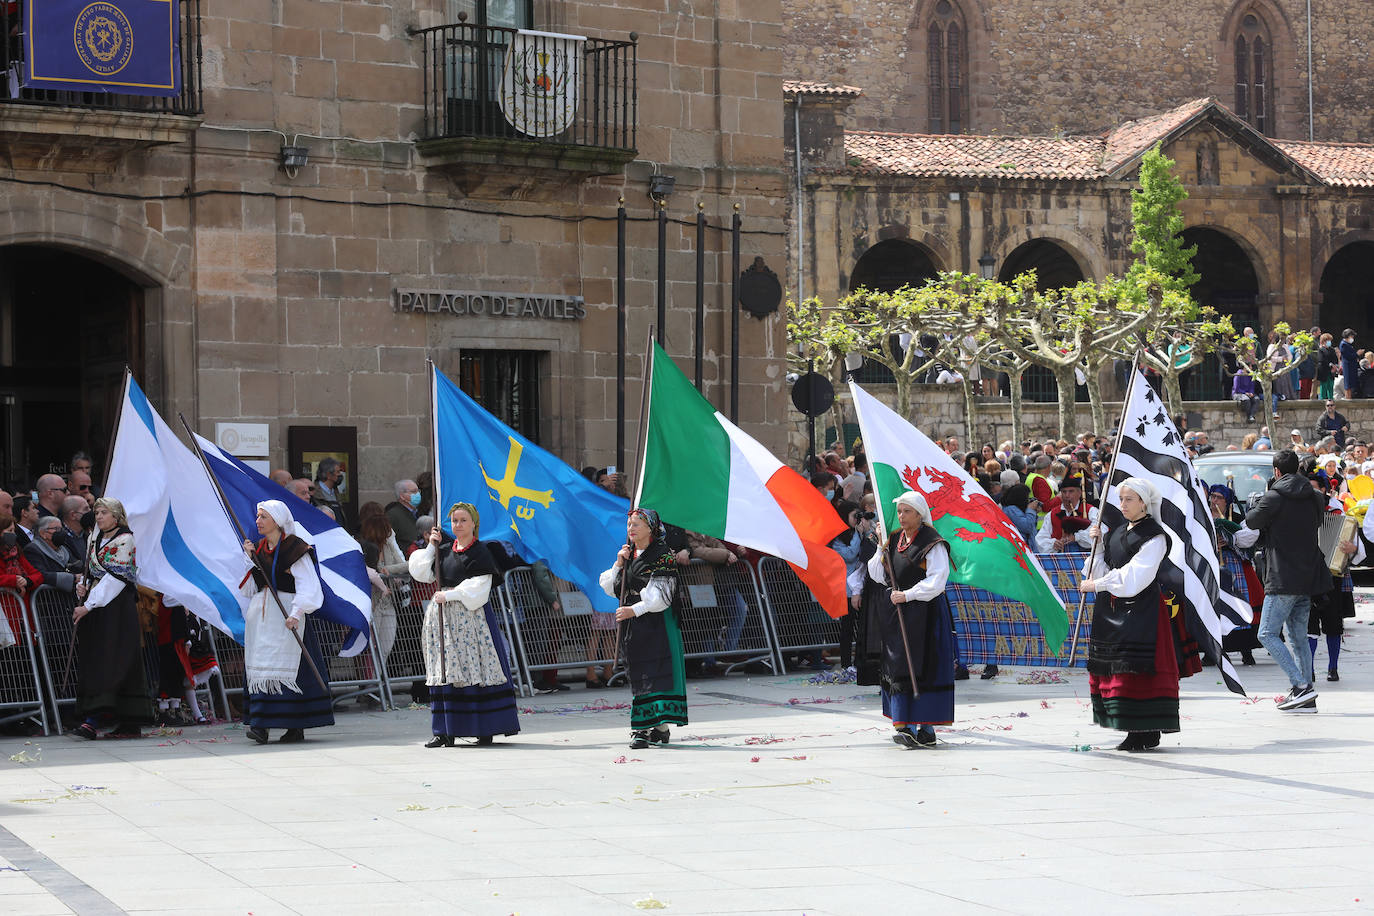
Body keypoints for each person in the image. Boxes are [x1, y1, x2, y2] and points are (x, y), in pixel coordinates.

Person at [407, 502, 520, 747]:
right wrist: (431, 547)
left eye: (463, 520)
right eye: (455, 521)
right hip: (443, 620)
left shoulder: (481, 552)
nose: (458, 525)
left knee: (474, 668)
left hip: (471, 618)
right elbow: (420, 572)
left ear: (473, 524)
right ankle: (444, 730)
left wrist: (449, 595)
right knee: (445, 669)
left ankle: (483, 727)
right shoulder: (444, 550)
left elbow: (479, 588)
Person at [1079, 478, 1177, 752]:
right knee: (1117, 664)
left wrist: (1098, 585)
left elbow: (1137, 575)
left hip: (1140, 609)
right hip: (1111, 610)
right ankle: (1132, 726)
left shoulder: (1154, 536)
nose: (1122, 504)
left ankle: (1144, 728)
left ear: (1144, 503)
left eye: (1129, 499)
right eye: (1121, 499)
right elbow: (1100, 567)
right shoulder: (1118, 531)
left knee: (1137, 666)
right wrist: (1096, 546)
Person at [860, 491, 955, 749]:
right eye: (899, 511)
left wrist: (910, 594)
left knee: (925, 666)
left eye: (906, 511)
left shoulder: (932, 542)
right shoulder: (894, 539)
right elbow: (879, 575)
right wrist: (881, 546)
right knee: (900, 665)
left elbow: (938, 580)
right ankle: (906, 725)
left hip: (926, 613)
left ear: (919, 514)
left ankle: (926, 728)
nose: (901, 516)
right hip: (900, 613)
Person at [241, 500, 334, 744]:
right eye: (258, 516)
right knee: (261, 665)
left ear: (277, 521)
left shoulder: (294, 548)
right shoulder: (259, 548)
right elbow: (250, 587)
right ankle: (260, 725)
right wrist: (250, 559)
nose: (258, 521)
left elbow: (308, 584)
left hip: (287, 616)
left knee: (293, 668)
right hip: (264, 619)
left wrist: (296, 613)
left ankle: (296, 725)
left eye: (263, 517)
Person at [1241, 449, 1328, 712]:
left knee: (1266, 633)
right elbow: (1318, 521)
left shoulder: (1274, 496)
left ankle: (1300, 686)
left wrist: (1260, 503)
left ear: (1276, 471)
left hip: (1282, 576)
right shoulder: (1315, 496)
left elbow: (1251, 521)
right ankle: (1306, 696)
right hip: (1308, 575)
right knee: (1298, 636)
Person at [600, 508, 689, 749]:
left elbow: (661, 597)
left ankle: (640, 729)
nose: (631, 528)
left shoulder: (663, 556)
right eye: (629, 523)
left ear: (650, 528)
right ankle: (659, 727)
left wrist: (633, 610)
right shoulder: (628, 555)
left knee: (653, 671)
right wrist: (619, 564)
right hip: (634, 621)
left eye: (637, 523)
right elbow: (611, 587)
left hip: (656, 620)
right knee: (640, 671)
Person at [70, 498, 154, 739]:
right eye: (96, 512)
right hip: (97, 606)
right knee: (98, 657)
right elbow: (91, 573)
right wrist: (82, 587)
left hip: (116, 607)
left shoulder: (125, 540)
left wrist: (88, 605)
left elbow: (115, 580)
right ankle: (112, 719)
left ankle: (95, 721)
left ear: (116, 516)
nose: (98, 517)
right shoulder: (93, 539)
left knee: (114, 657)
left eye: (103, 512)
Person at [357, 501, 409, 674]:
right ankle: (370, 687)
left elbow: (404, 565)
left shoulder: (388, 545)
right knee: (371, 647)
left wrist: (389, 568)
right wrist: (385, 571)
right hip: (373, 601)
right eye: (387, 529)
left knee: (386, 646)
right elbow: (376, 570)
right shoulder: (365, 548)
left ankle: (380, 681)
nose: (390, 531)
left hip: (389, 601)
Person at [1034, 475, 1098, 553]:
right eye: (1064, 492)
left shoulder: (1091, 511)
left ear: (1079, 493)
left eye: (1071, 491)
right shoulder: (1052, 514)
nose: (1067, 495)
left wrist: (1077, 537)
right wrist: (1053, 543)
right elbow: (1040, 539)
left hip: (1085, 559)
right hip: (1060, 560)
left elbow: (1098, 532)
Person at [385, 479, 422, 547]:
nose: (418, 494)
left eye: (418, 491)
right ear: (402, 496)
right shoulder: (392, 515)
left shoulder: (418, 513)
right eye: (414, 491)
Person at [1339, 328, 1360, 399]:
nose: (1353, 338)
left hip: (1351, 366)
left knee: (1351, 384)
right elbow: (1348, 356)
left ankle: (1349, 397)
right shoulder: (1343, 344)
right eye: (1352, 336)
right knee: (1348, 384)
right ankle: (1348, 398)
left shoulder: (1348, 344)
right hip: (1348, 366)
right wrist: (1357, 354)